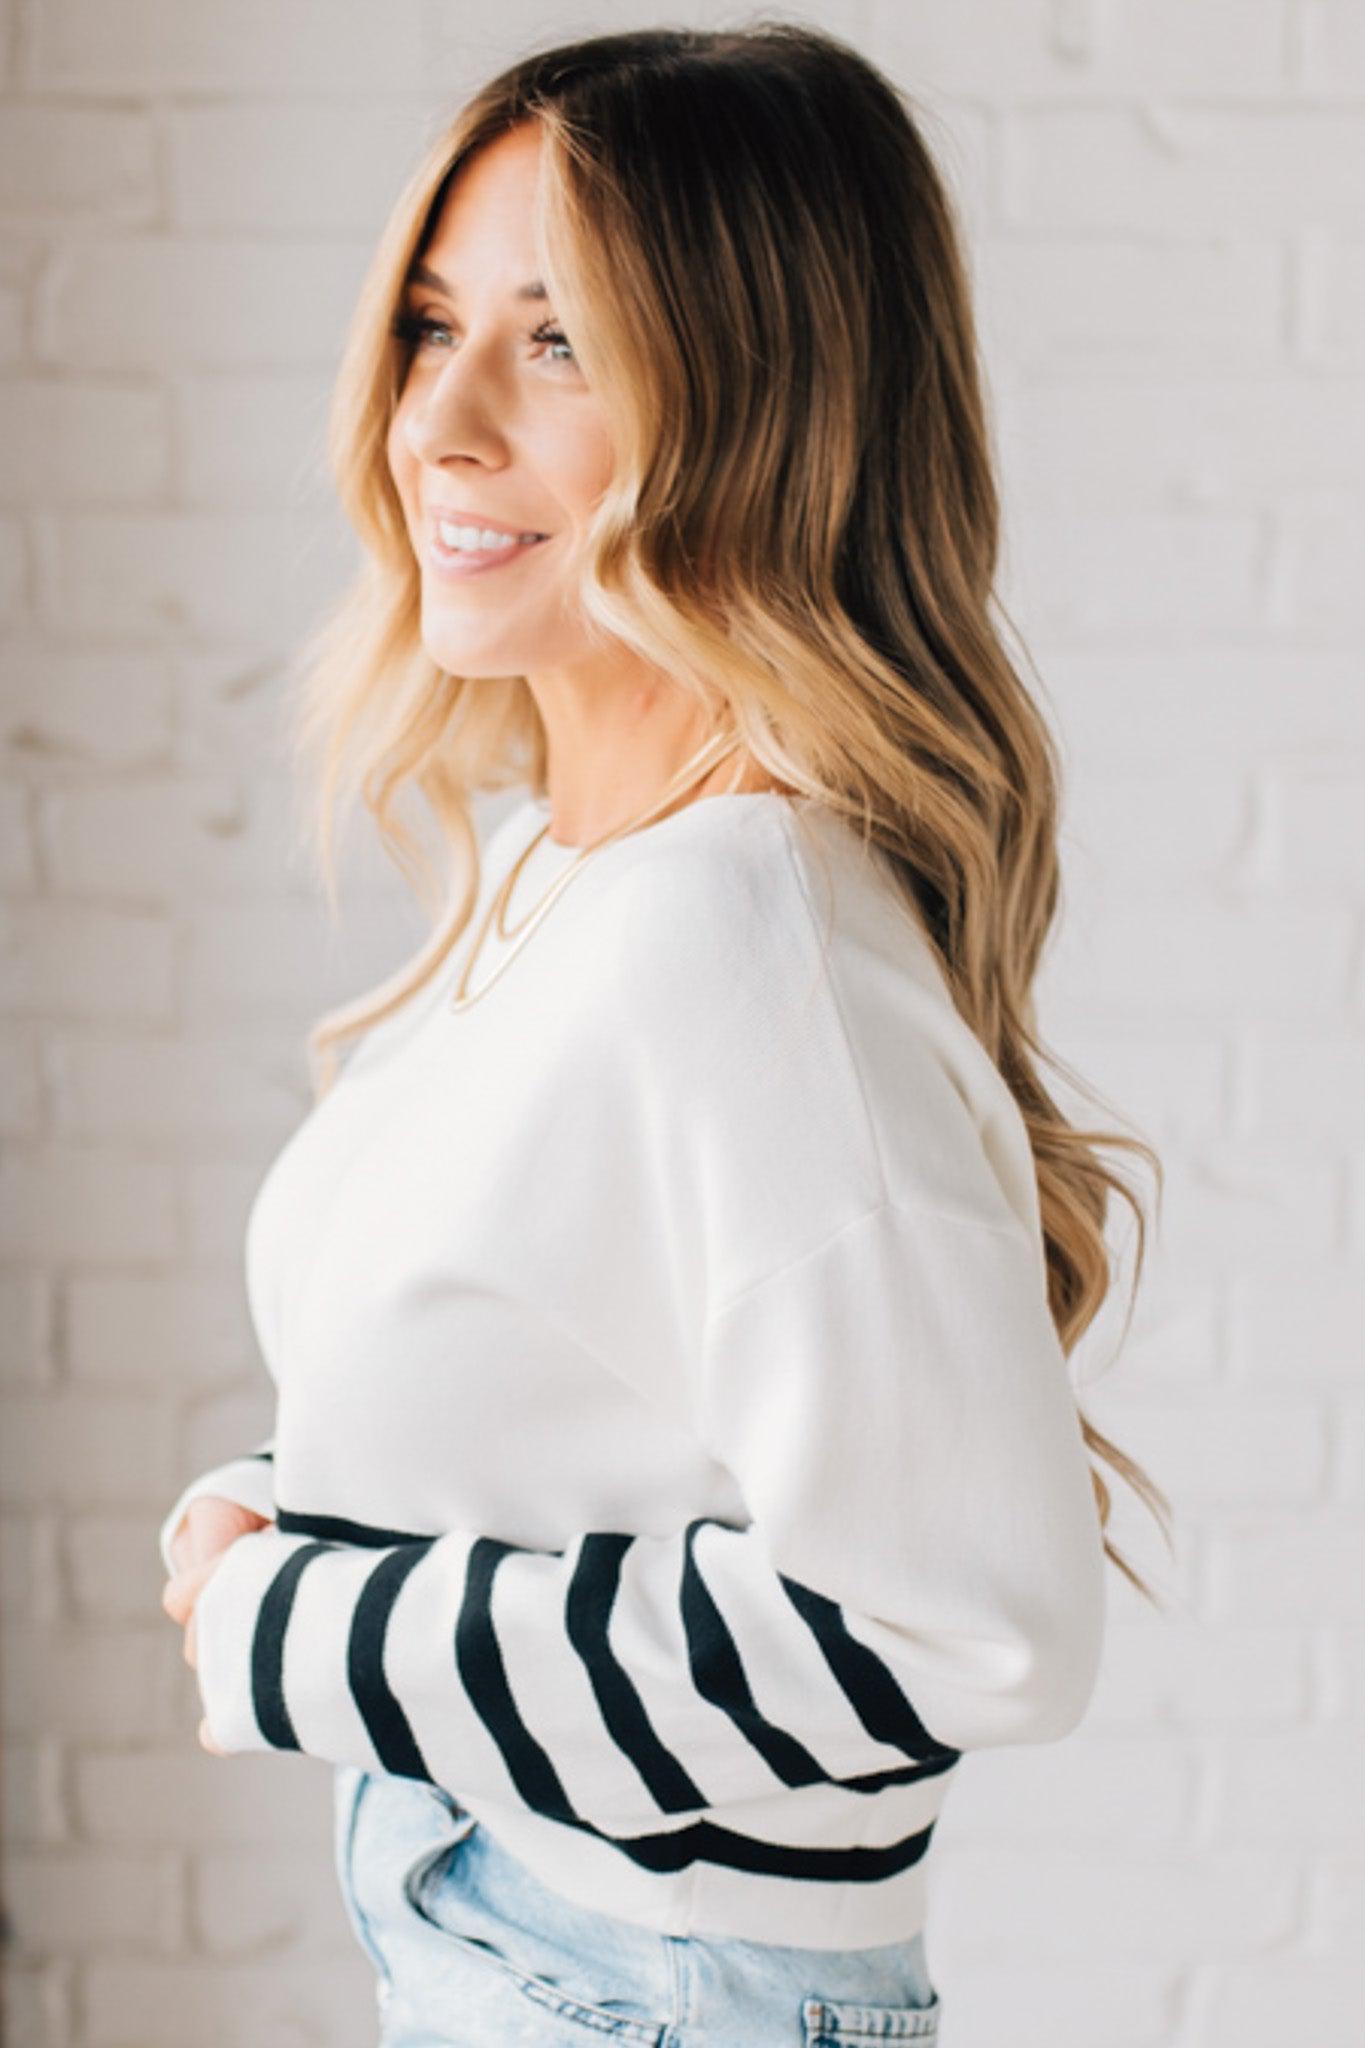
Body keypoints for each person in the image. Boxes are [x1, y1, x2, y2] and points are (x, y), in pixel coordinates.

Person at [157, 24, 1170, 2046]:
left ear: (761, 406)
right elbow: (585, 1399)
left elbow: (960, 1625)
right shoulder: (563, 870)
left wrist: (304, 1617)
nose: (435, 421)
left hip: (638, 1991)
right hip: (518, 1942)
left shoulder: (740, 931)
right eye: (431, 324)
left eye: (555, 345)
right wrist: (300, 1493)